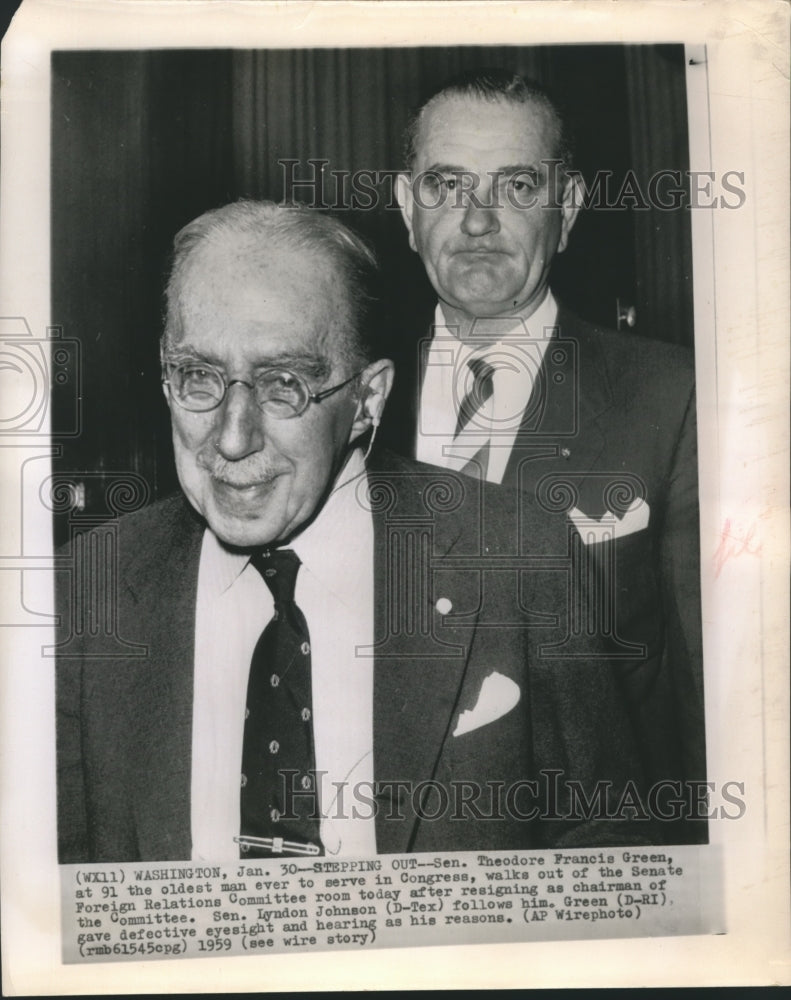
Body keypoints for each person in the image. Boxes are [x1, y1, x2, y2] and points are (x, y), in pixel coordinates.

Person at [56, 199, 652, 864]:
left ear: (366, 399)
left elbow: (612, 848)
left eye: (284, 385)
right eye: (197, 376)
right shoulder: (88, 590)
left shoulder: (514, 554)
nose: (230, 437)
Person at [390, 69, 705, 841]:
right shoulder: (342, 402)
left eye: (516, 185)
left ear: (565, 209)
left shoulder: (671, 397)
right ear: (406, 207)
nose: (476, 219)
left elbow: (713, 696)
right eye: (445, 184)